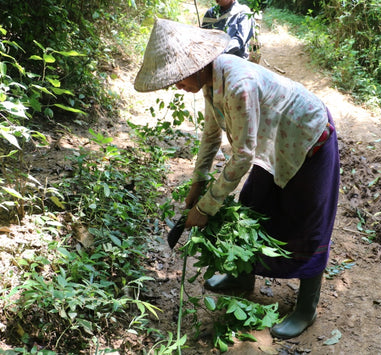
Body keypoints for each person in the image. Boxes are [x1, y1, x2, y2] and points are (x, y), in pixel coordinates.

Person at [134, 19, 340, 340]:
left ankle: (306, 307)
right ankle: (242, 278)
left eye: (178, 77)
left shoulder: (237, 83)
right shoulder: (210, 81)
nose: (176, 85)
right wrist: (199, 180)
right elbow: (211, 135)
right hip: (273, 144)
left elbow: (242, 156)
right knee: (253, 205)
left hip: (308, 137)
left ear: (197, 65)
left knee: (306, 222)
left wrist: (205, 208)